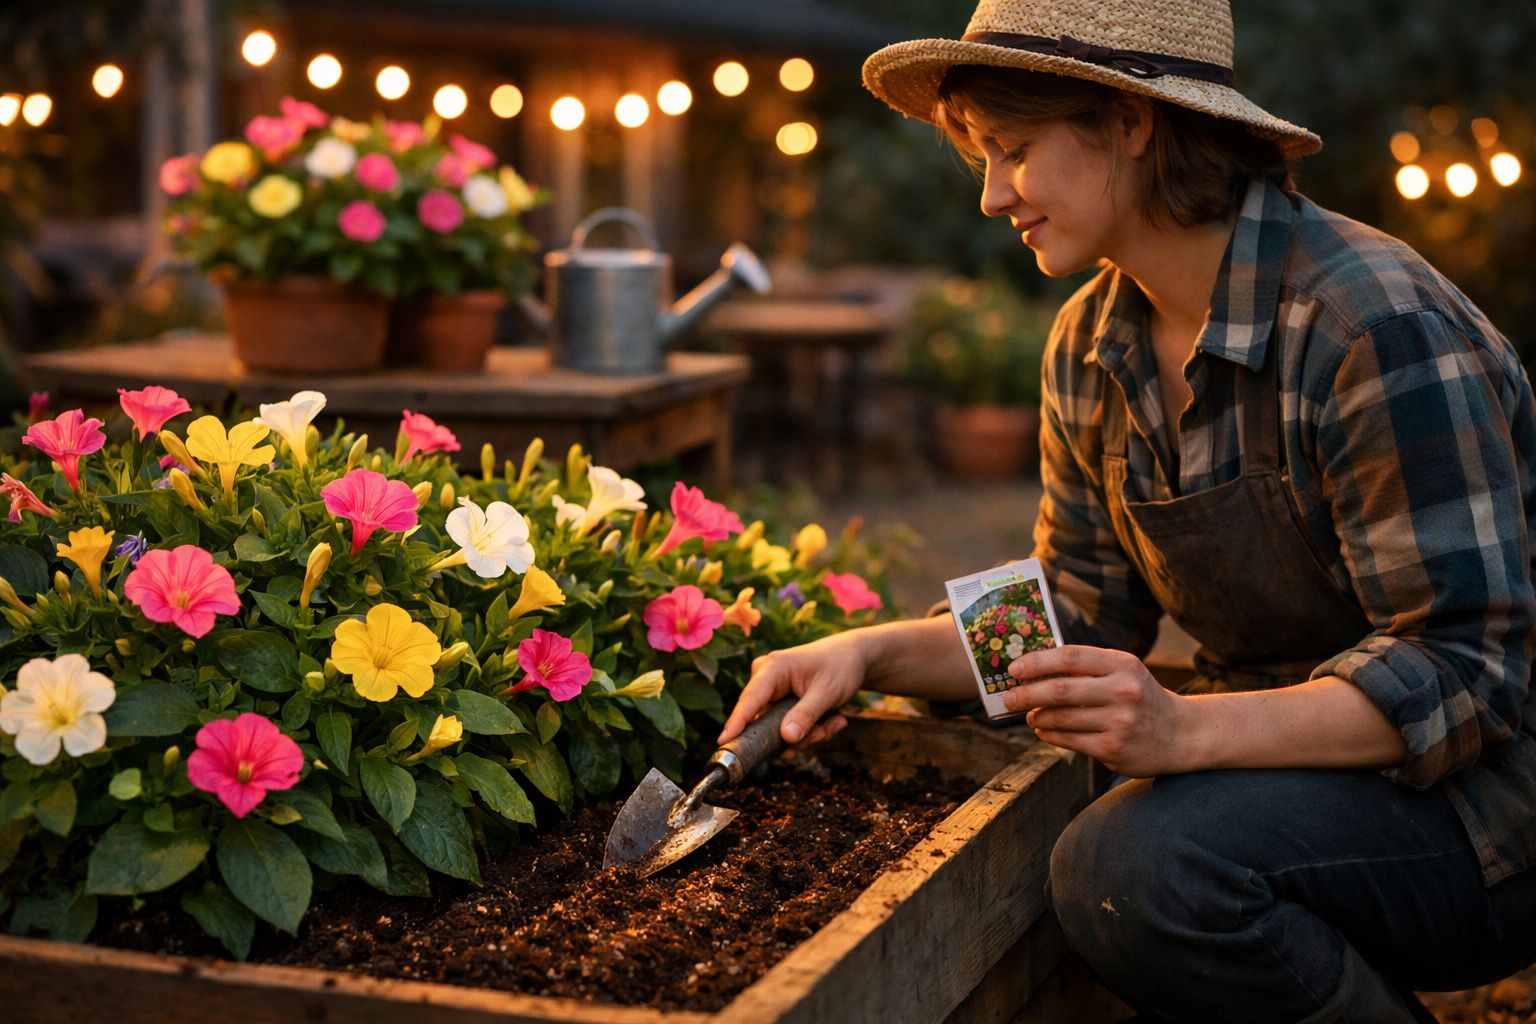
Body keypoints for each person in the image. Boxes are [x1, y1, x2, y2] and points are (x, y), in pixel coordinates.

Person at [717, 0, 1536, 1019]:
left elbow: (1464, 673)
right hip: (1295, 766)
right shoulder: (1090, 343)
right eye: (982, 157)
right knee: (1069, 813)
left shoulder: (1370, 325)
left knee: (1138, 866)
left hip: (1491, 808)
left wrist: (1184, 731)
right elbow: (1077, 609)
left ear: (1129, 121)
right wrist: (868, 652)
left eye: (1014, 150)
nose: (991, 195)